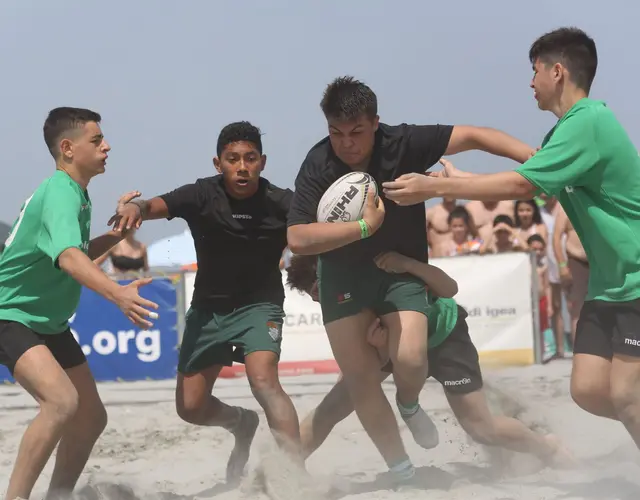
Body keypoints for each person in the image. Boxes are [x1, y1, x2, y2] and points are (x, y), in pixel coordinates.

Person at [382, 28, 640, 448]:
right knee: (590, 390)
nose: (530, 82)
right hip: (608, 288)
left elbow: (522, 187)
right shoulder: (561, 134)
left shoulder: (591, 121)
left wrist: (436, 189)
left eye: (534, 71)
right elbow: (534, 180)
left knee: (628, 394)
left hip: (636, 279)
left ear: (557, 71)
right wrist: (464, 180)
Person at [286, 76, 535, 483]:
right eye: (336, 133)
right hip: (344, 276)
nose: (346, 143)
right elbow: (297, 238)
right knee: (358, 384)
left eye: (356, 133)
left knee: (410, 359)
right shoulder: (318, 164)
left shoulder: (402, 143)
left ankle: (408, 403)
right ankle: (401, 470)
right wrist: (364, 228)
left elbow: (474, 134)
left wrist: (533, 157)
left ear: (376, 123)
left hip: (398, 268)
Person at [109, 121, 302, 482]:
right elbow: (152, 204)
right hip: (209, 309)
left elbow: (315, 232)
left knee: (263, 381)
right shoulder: (201, 195)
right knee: (191, 407)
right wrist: (135, 206)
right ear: (218, 163)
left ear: (262, 162)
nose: (242, 167)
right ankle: (241, 423)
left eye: (250, 158)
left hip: (260, 307)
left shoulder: (282, 202)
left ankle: (297, 474)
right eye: (232, 159)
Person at [0, 107, 158, 500]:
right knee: (61, 403)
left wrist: (120, 232)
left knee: (90, 417)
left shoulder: (76, 193)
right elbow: (70, 258)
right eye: (97, 139)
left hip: (47, 322)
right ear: (68, 148)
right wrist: (118, 293)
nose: (107, 146)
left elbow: (78, 251)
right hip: (10, 314)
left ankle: (57, 496)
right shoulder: (58, 191)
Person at [284, 252, 569, 467]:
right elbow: (364, 358)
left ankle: (547, 448)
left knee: (481, 428)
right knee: (335, 404)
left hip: (443, 338)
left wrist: (409, 265)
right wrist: (370, 358)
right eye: (313, 298)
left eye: (318, 293)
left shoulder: (371, 272)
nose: (319, 302)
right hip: (389, 346)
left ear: (330, 276)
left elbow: (449, 287)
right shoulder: (339, 305)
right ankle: (285, 467)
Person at [553, 204, 589, 349]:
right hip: (576, 260)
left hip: (601, 261)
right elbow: (556, 238)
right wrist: (562, 265)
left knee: (606, 306)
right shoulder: (565, 206)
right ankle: (579, 352)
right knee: (577, 310)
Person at [538, 194, 566, 358]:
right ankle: (560, 348)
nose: (544, 194)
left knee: (572, 304)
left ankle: (578, 349)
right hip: (547, 261)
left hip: (565, 257)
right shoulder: (539, 211)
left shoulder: (563, 207)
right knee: (554, 307)